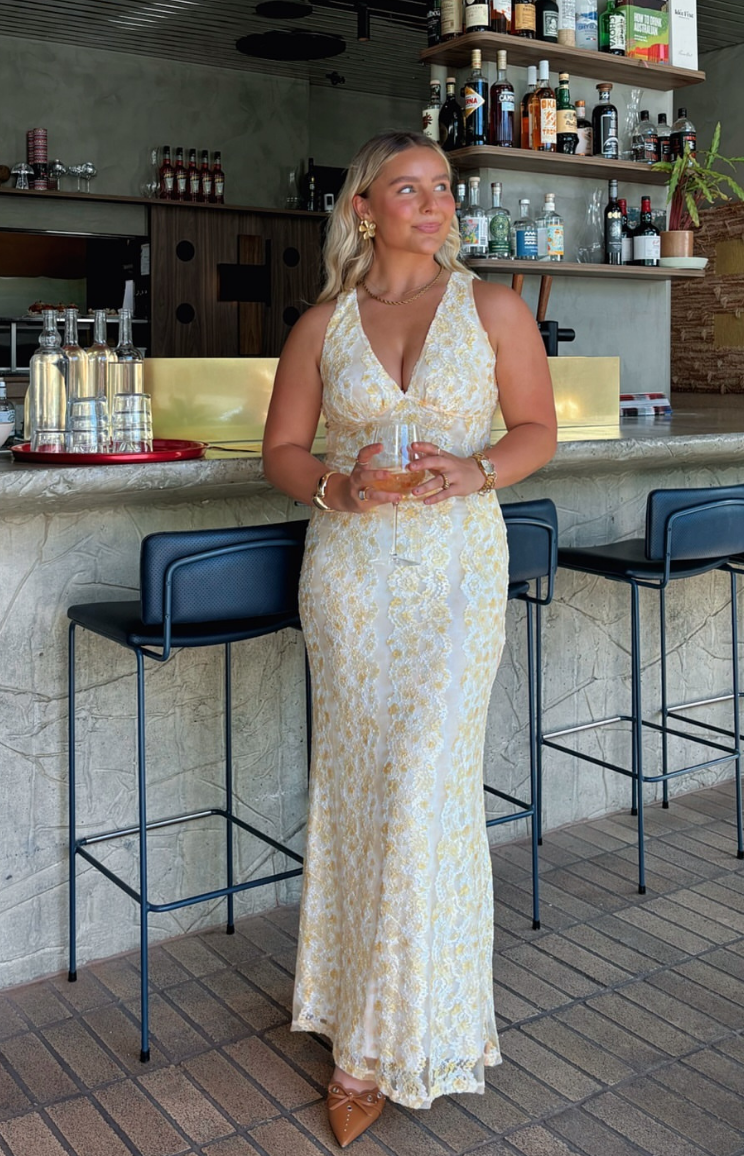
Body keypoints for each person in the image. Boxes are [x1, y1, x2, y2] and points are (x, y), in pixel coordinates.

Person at [263, 130, 556, 1147]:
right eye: (409, 189)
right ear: (363, 208)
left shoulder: (495, 307)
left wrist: (475, 471)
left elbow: (537, 430)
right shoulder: (322, 325)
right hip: (350, 580)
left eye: (443, 188)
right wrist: (336, 487)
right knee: (359, 790)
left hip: (456, 575)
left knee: (426, 781)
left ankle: (402, 1036)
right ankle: (352, 1017)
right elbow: (282, 451)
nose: (435, 205)